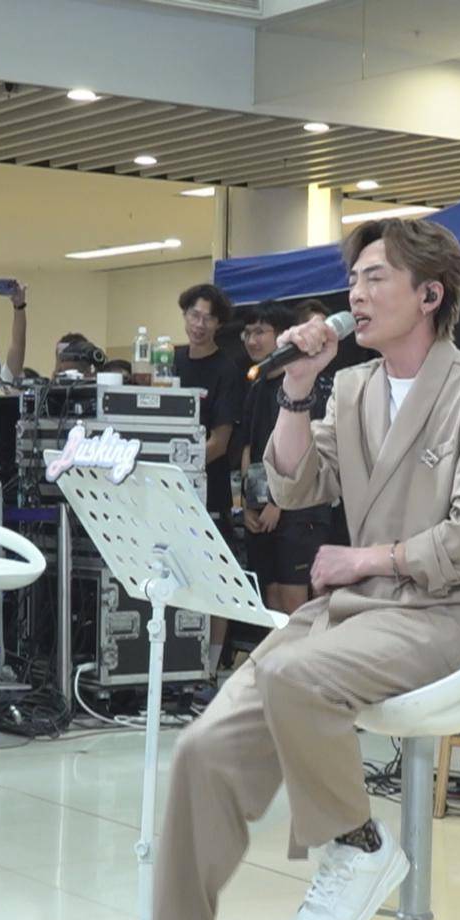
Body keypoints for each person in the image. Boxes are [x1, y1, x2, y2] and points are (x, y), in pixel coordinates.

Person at [68, 218, 460, 920]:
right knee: (203, 751)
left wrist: (369, 558)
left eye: (376, 277)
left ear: (429, 294)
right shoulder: (352, 389)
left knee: (293, 675)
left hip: (452, 611)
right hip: (359, 610)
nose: (356, 293)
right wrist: (299, 390)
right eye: (354, 278)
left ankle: (357, 842)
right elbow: (291, 484)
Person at [237, 303, 336, 616]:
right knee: (272, 599)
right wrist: (246, 503)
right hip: (261, 508)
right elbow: (248, 447)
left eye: (260, 332)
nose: (252, 340)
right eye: (247, 333)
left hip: (299, 511)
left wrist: (277, 503)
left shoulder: (305, 385)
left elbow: (309, 455)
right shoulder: (257, 386)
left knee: (296, 601)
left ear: (283, 336)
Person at [175, 283, 246, 669]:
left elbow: (220, 442)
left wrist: (179, 464)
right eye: (194, 315)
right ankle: (173, 660)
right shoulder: (169, 361)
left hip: (208, 489)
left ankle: (210, 664)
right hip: (168, 492)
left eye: (208, 318)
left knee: (214, 576)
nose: (199, 325)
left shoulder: (226, 370)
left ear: (219, 324)